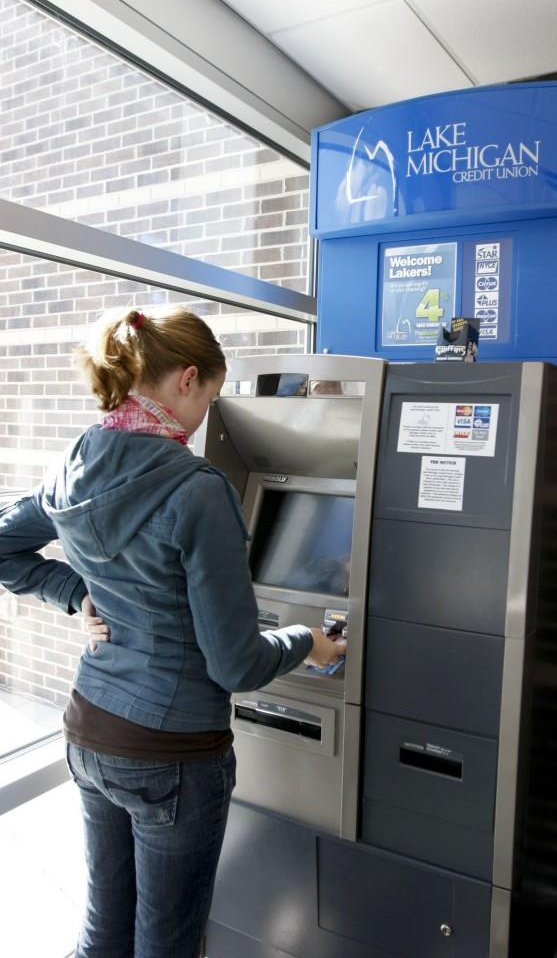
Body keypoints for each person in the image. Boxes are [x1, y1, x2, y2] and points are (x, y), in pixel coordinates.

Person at [0, 306, 343, 958]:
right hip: (173, 755)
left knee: (105, 931)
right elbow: (236, 665)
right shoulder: (197, 488)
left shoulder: (75, 462)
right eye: (211, 397)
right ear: (188, 378)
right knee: (169, 944)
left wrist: (78, 595)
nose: (204, 414)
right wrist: (307, 640)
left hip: (93, 729)